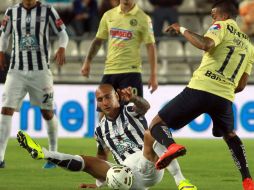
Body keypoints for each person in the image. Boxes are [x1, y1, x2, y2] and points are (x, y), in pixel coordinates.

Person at [148, 1, 254, 190]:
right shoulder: (248, 45)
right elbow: (241, 85)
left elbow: (206, 44)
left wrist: (182, 29)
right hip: (225, 97)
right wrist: (224, 87)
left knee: (156, 124)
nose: (212, 18)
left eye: (214, 14)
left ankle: (171, 146)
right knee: (230, 136)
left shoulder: (221, 26)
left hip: (201, 88)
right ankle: (247, 179)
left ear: (224, 15)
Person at [18, 84, 197, 190]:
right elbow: (102, 159)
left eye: (108, 97)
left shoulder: (129, 110)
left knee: (152, 132)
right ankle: (44, 153)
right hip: (125, 175)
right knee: (85, 161)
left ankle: (181, 181)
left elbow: (145, 107)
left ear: (117, 97)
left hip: (149, 165)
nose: (104, 102)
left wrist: (134, 98)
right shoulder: (100, 130)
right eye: (100, 99)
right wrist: (98, 185)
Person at [0, 0, 69, 169]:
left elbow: (63, 34)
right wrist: (1, 52)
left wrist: (62, 48)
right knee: (6, 109)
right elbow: (4, 35)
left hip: (41, 71)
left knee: (47, 112)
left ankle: (53, 154)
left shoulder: (48, 10)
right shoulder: (11, 11)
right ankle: (0, 157)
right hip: (16, 70)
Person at [81, 0, 158, 98]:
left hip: (131, 72)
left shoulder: (144, 18)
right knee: (103, 111)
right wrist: (87, 61)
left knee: (132, 111)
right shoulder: (108, 15)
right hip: (109, 71)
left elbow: (151, 46)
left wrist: (153, 75)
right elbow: (98, 40)